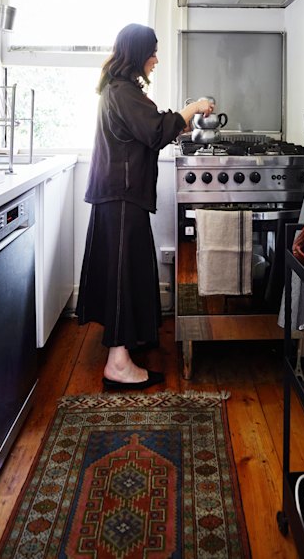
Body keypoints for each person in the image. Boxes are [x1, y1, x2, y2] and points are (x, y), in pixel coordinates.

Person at [76, 22, 214, 390]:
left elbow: (148, 129)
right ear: (138, 54)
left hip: (118, 194)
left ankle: (127, 346)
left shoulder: (120, 89)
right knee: (124, 274)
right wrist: (193, 108)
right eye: (152, 51)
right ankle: (117, 364)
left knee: (127, 270)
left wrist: (178, 122)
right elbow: (154, 131)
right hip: (121, 195)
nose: (156, 58)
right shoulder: (122, 91)